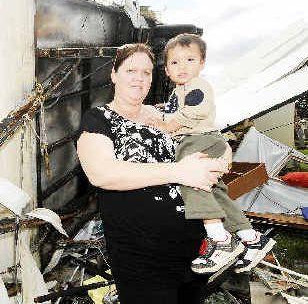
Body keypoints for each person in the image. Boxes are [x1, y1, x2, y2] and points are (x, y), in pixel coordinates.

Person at [77, 43, 228, 303]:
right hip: (141, 258)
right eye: (131, 70)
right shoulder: (98, 118)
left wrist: (222, 159)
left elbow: (210, 140)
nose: (139, 78)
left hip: (193, 249)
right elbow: (102, 174)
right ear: (114, 74)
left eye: (146, 73)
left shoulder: (164, 115)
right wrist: (179, 171)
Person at [146, 33, 275, 274]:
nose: (182, 66)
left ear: (202, 63)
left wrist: (165, 124)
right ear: (166, 70)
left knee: (192, 181)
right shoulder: (178, 91)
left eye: (190, 60)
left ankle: (221, 240)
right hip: (200, 140)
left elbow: (192, 113)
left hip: (198, 140)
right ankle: (251, 238)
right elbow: (177, 109)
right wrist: (163, 112)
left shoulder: (197, 86)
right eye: (175, 62)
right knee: (215, 191)